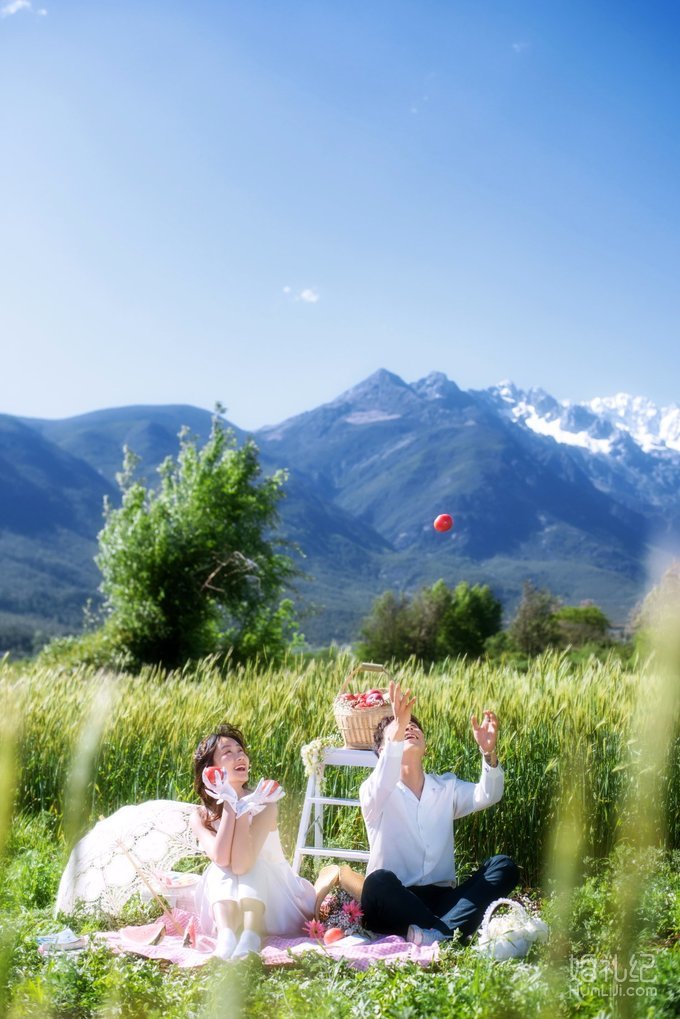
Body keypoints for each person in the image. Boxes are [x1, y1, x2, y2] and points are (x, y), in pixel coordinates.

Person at [359, 682, 519, 946]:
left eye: (413, 726)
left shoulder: (446, 787)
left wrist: (488, 754)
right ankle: (448, 933)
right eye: (400, 728)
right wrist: (398, 726)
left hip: (442, 902)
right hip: (393, 903)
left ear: (425, 745)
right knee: (377, 882)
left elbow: (488, 795)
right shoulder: (374, 792)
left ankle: (435, 934)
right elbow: (384, 776)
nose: (409, 728)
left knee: (503, 866)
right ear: (382, 751)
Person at [190, 724, 316, 960]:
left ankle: (251, 936)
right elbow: (221, 857)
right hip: (226, 906)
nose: (239, 756)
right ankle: (227, 936)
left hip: (276, 901)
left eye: (241, 751)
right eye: (228, 752)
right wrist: (229, 802)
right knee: (218, 867)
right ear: (211, 769)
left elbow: (242, 864)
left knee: (254, 863)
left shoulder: (264, 802)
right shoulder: (200, 815)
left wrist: (243, 807)